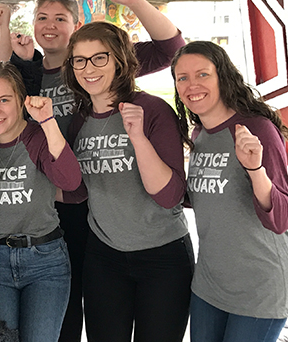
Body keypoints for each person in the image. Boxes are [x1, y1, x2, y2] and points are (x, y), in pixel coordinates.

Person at [6, 0, 185, 342]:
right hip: (92, 238)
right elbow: (69, 182)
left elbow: (172, 49)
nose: (90, 68)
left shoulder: (144, 105)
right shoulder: (57, 96)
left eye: (99, 59)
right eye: (43, 17)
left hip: (154, 247)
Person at [62, 22, 193, 342]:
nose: (88, 68)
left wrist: (138, 138)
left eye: (99, 58)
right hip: (104, 257)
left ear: (119, 59)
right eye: (79, 60)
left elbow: (170, 196)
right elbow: (77, 190)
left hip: (162, 257)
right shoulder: (80, 117)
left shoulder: (152, 109)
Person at [171, 41, 288, 342]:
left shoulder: (256, 129)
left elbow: (280, 217)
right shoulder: (199, 134)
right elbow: (204, 197)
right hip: (209, 284)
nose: (191, 85)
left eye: (202, 74)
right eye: (182, 77)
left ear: (222, 76)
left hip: (258, 290)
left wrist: (255, 169)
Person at [0, 62, 82, 341]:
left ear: (21, 100)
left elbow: (70, 182)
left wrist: (47, 122)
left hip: (45, 259)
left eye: (4, 100)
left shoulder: (36, 136)